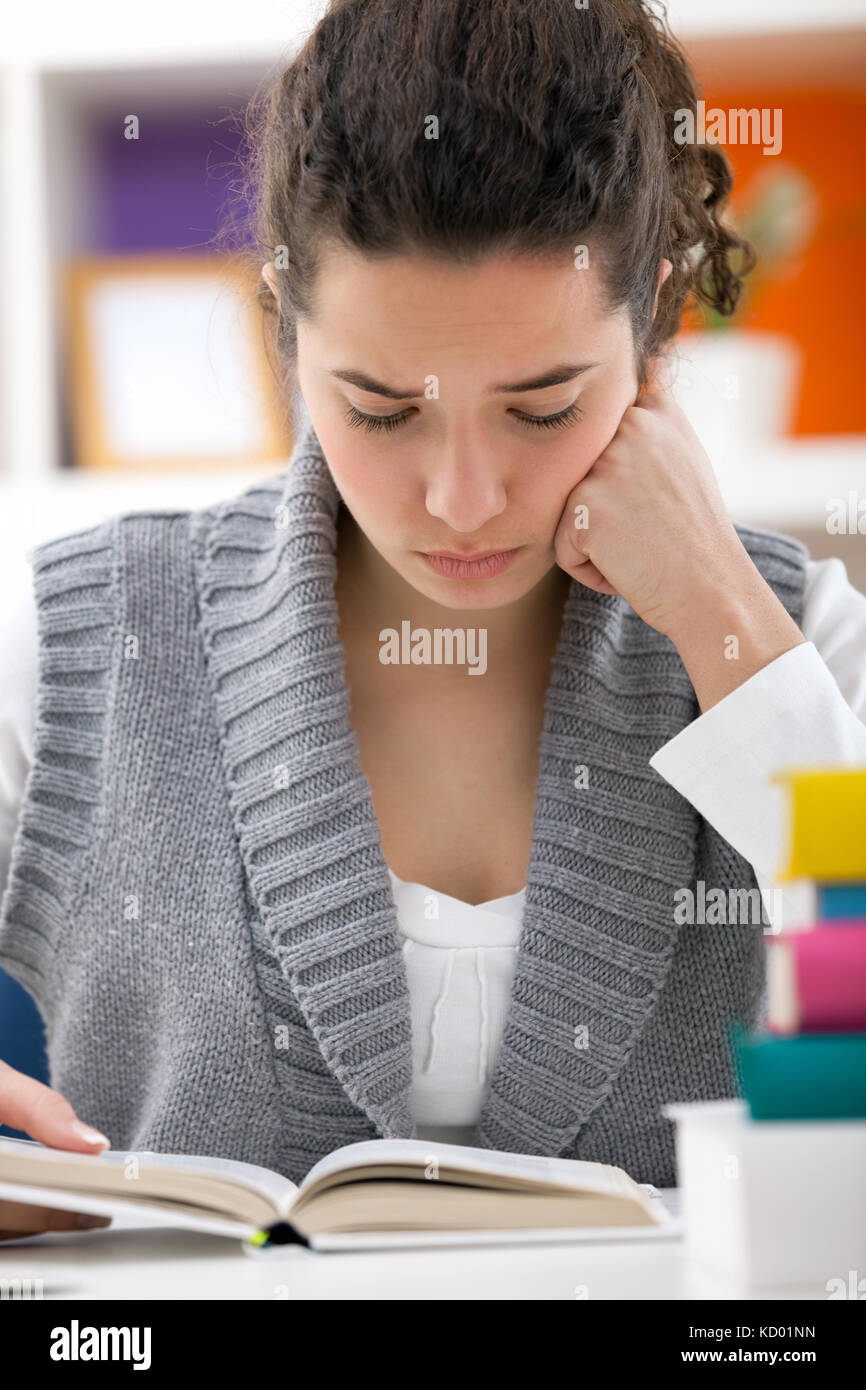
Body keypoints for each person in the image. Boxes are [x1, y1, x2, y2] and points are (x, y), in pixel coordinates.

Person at [2, 0, 866, 1240]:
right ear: (285, 338)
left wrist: (718, 610)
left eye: (541, 406)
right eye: (380, 409)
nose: (464, 500)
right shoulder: (79, 641)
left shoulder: (794, 637)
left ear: (653, 330)